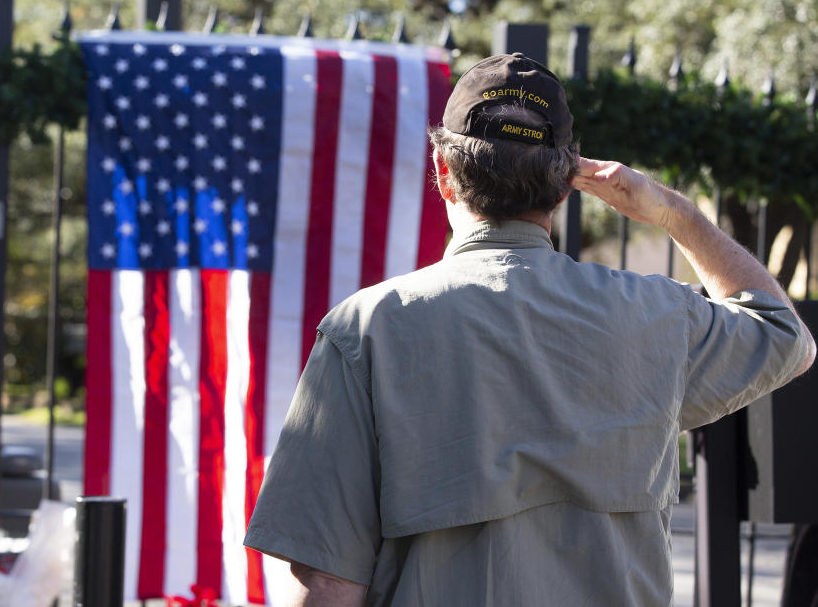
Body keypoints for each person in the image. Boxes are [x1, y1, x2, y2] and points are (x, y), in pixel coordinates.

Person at [243, 53, 816, 606]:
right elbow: (784, 336)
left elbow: (327, 581)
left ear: (443, 171)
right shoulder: (658, 316)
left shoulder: (367, 330)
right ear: (568, 182)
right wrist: (673, 212)